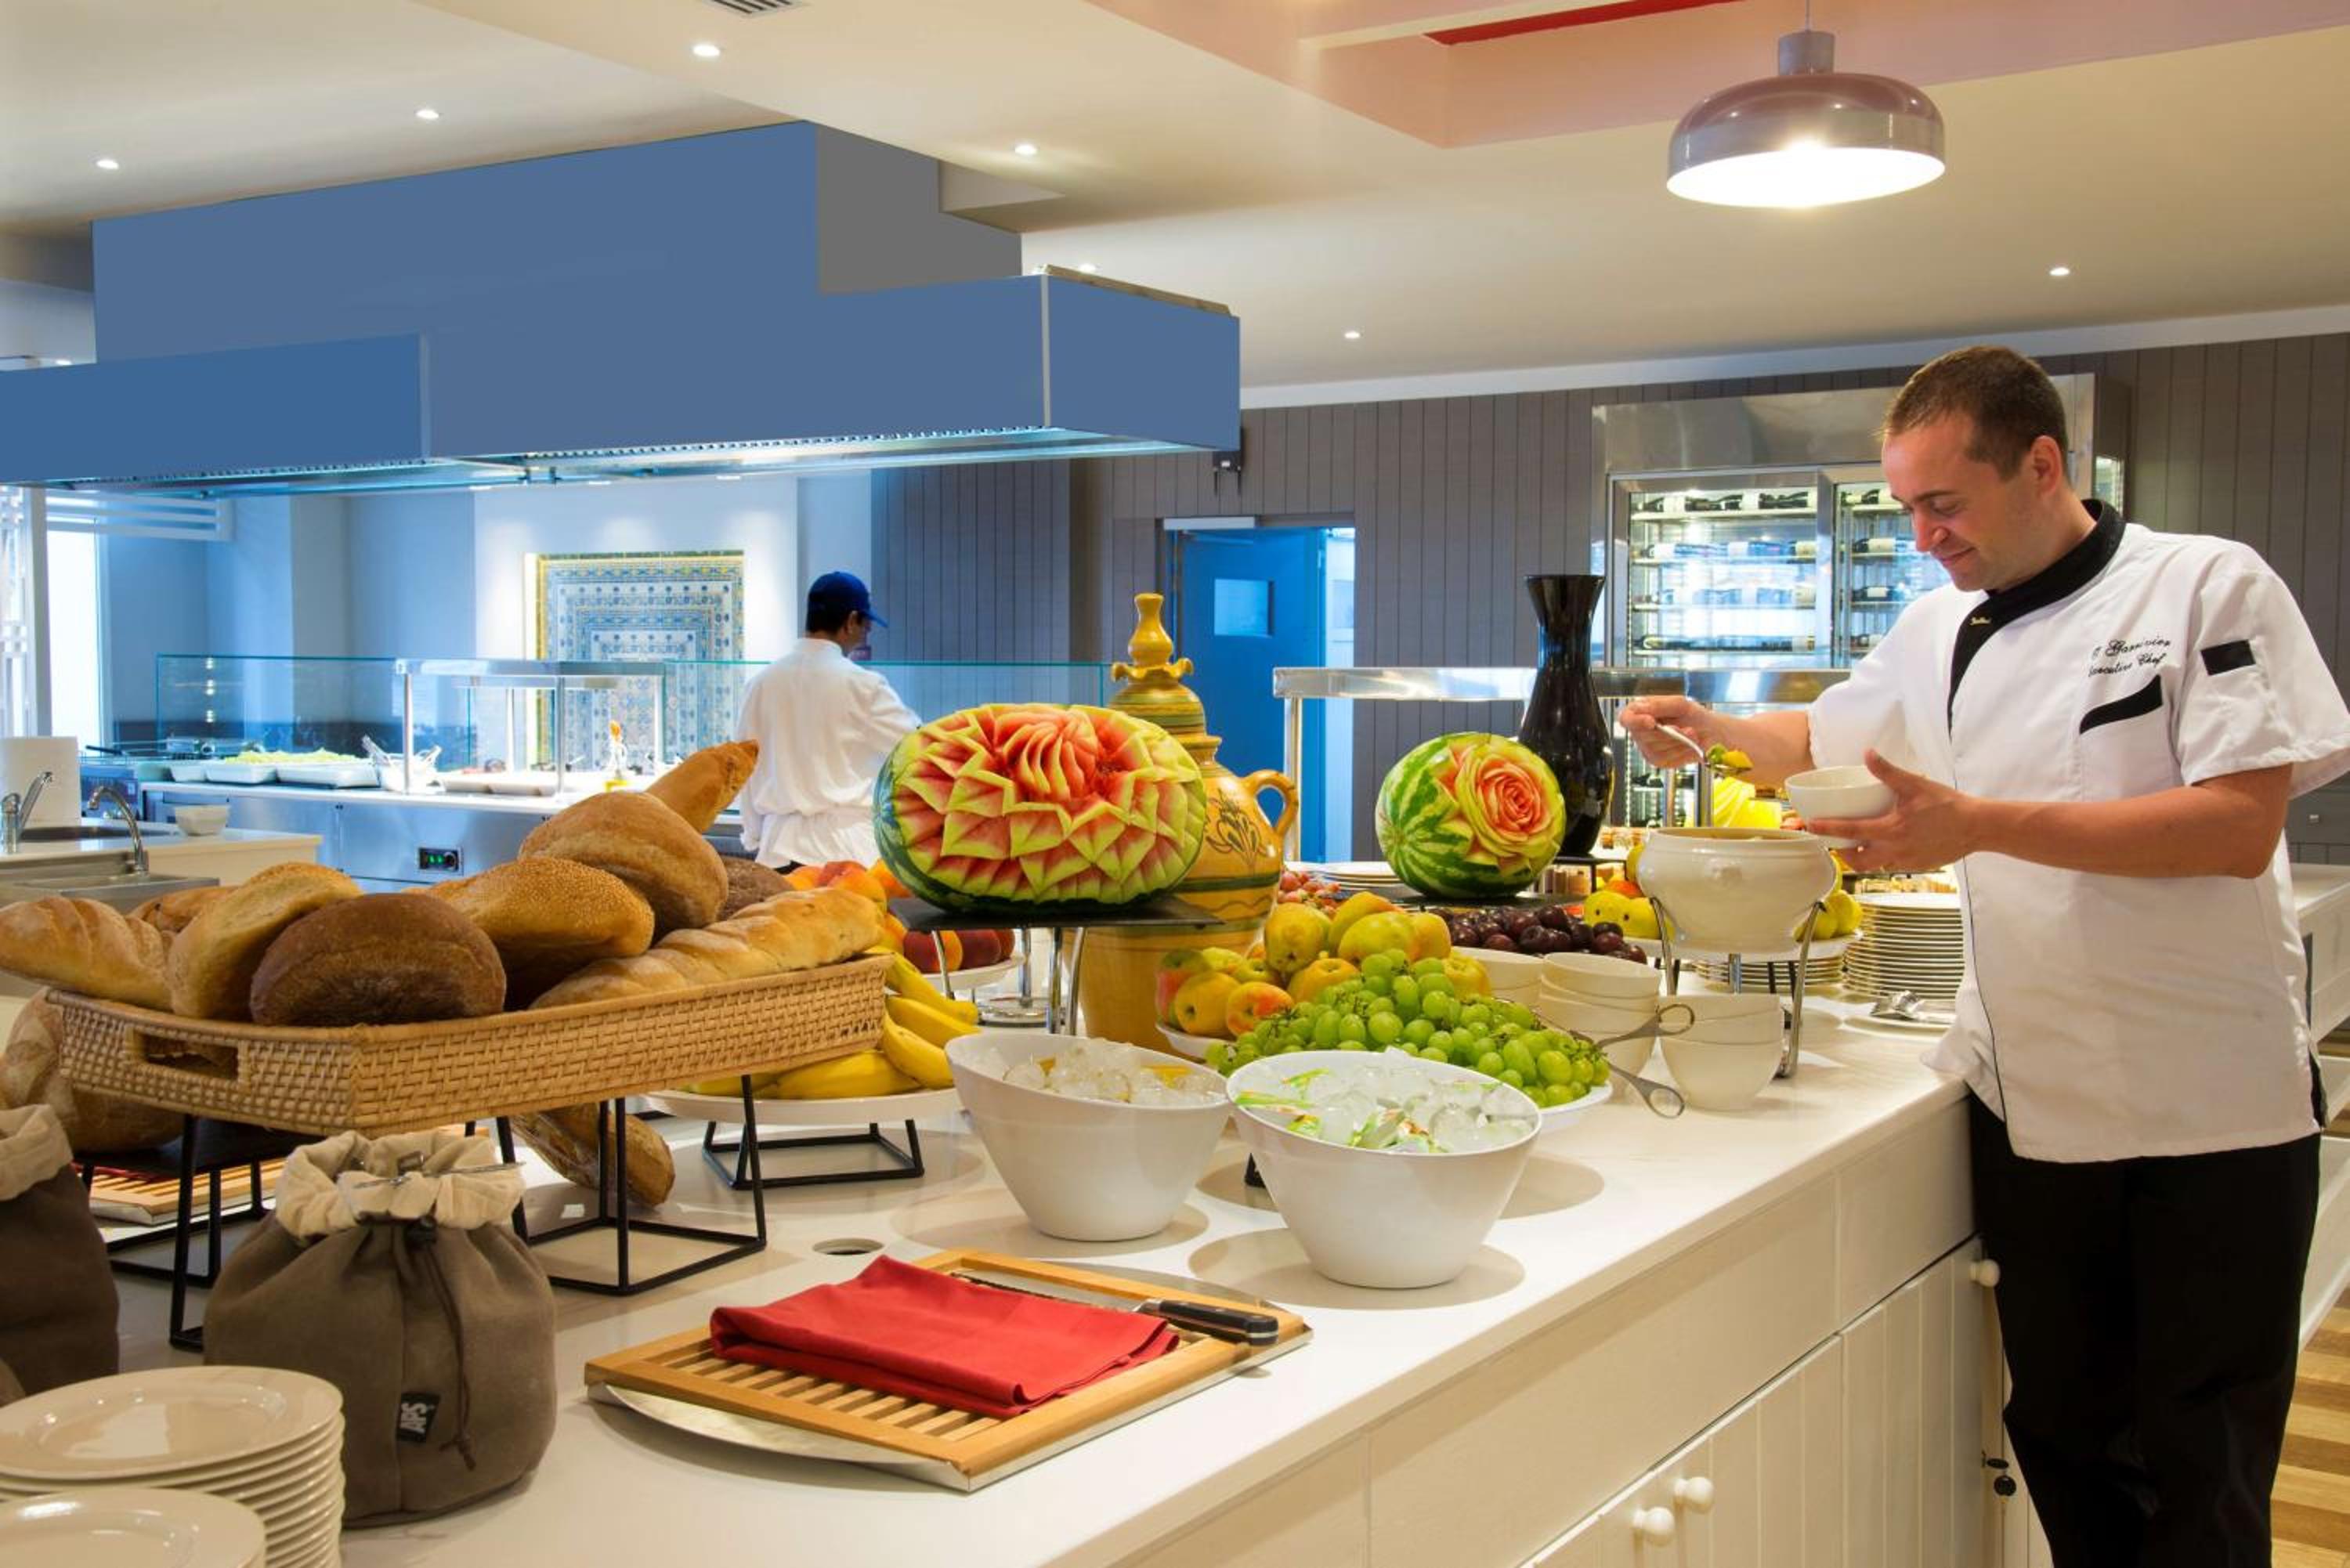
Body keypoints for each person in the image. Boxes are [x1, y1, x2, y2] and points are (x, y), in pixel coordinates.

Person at [1622, 345, 2350, 1567]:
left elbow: (2238, 825)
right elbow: (1817, 736)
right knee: (2066, 1437)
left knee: (2204, 1464)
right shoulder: (1935, 626)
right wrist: (1714, 727)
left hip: (2214, 1110)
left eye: (1944, 503)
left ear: (2042, 464)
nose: (1924, 535)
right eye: (1907, 507)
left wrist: (1979, 825)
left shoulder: (2206, 585)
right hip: (2037, 1105)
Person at [734, 571, 918, 869]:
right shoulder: (864, 686)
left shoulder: (759, 684)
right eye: (866, 624)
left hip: (777, 851)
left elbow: (745, 769)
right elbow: (915, 748)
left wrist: (754, 835)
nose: (866, 632)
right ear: (851, 621)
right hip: (846, 854)